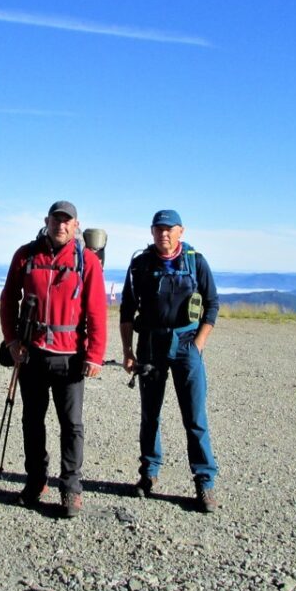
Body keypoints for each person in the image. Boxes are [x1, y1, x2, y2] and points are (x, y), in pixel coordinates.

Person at [0, 201, 107, 517]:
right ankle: (36, 481)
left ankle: (71, 488)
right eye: (56, 220)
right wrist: (12, 341)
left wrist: (95, 354)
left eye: (67, 221)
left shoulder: (86, 261)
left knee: (71, 425)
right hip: (31, 354)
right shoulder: (26, 255)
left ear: (76, 226)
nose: (61, 225)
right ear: (46, 221)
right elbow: (8, 300)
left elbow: (97, 310)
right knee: (32, 421)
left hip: (70, 357)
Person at [119, 209, 220, 512]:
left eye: (169, 229)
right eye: (158, 229)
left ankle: (205, 484)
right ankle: (149, 475)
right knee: (150, 414)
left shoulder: (195, 262)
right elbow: (126, 310)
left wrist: (199, 343)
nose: (163, 234)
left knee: (194, 417)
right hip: (149, 344)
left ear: (181, 231)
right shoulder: (140, 264)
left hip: (187, 344)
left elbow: (212, 303)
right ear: (151, 232)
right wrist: (127, 351)